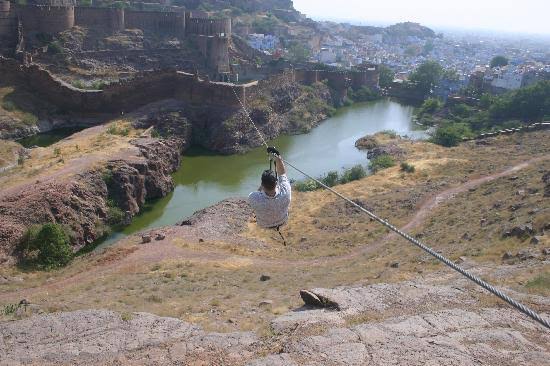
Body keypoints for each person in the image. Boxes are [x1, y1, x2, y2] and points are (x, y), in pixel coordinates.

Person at [248, 147, 291, 231]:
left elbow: (258, 192)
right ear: (276, 183)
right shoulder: (285, 192)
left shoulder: (254, 198)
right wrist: (278, 157)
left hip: (264, 225)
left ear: (262, 184)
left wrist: (262, 186)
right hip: (283, 221)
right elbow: (282, 174)